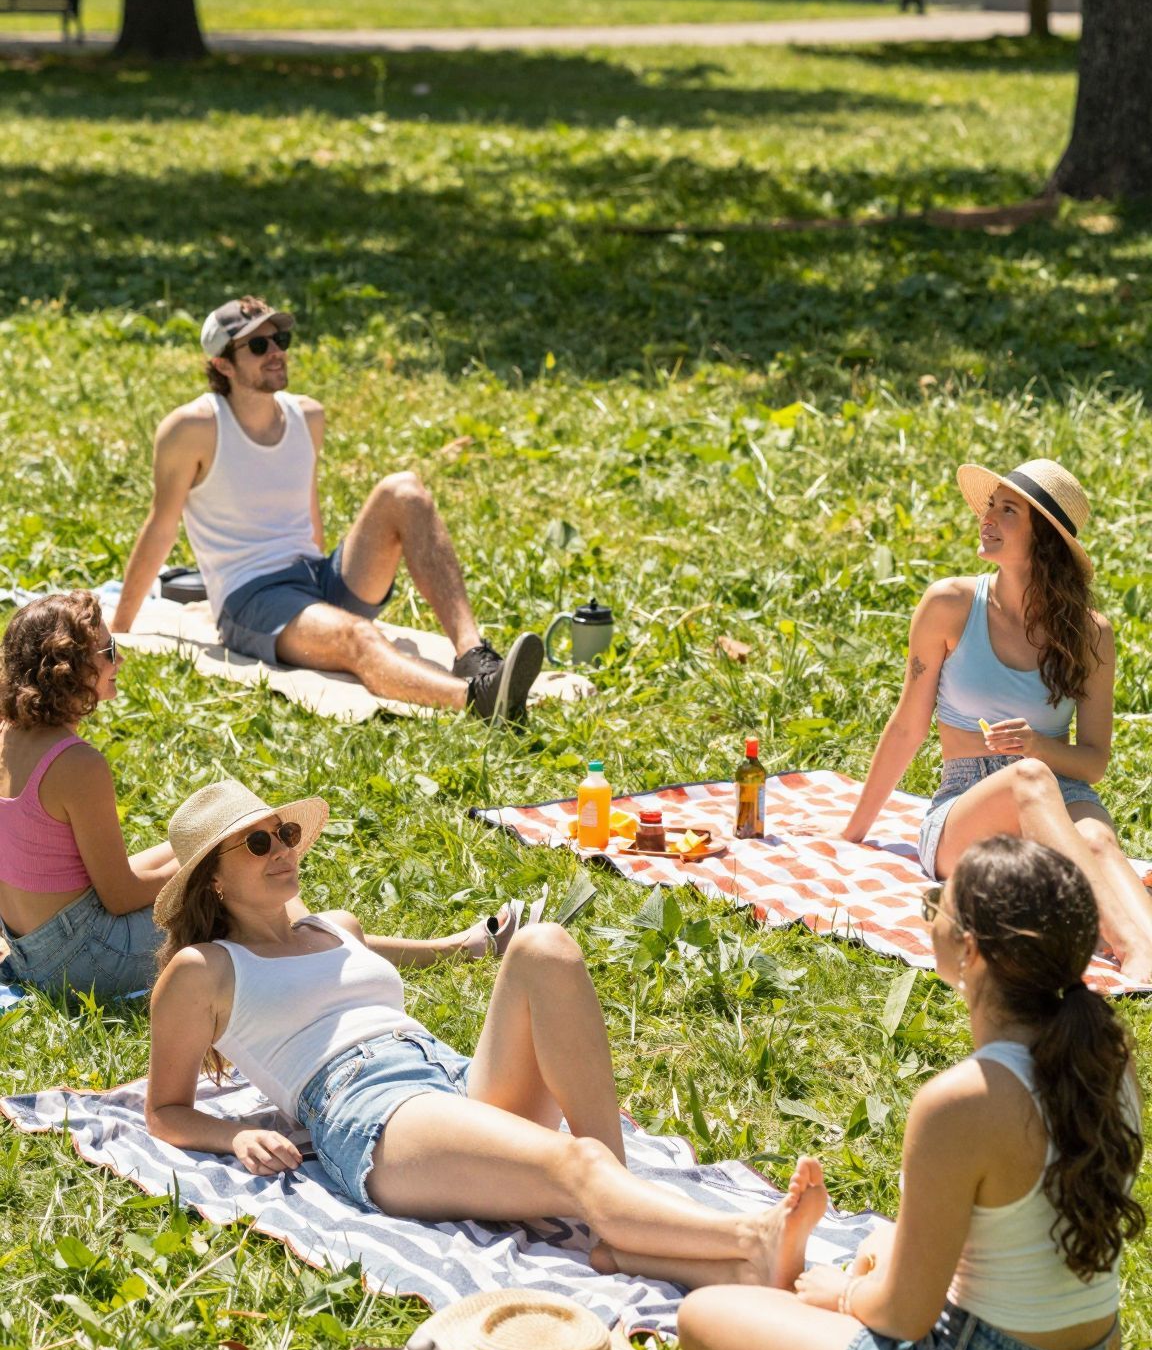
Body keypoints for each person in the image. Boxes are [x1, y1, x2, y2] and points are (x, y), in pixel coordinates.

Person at [146, 777, 822, 1285]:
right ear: (212, 881)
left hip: (448, 1075)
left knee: (545, 946)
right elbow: (164, 1110)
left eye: (286, 833)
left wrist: (467, 944)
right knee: (575, 1163)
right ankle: (748, 1238)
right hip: (370, 1109)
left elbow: (409, 953)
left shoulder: (335, 927)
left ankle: (624, 1222)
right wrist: (233, 1135)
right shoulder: (203, 971)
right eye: (258, 843)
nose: (283, 850)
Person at [678, 836, 1143, 1350]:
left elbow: (906, 1317)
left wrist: (843, 1295)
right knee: (881, 1242)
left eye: (936, 905)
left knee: (703, 1316)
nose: (930, 916)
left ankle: (790, 1297)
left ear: (970, 950)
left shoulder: (962, 1102)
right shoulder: (1111, 1063)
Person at [110, 297, 543, 722]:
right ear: (223, 364)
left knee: (404, 489)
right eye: (258, 345)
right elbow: (161, 527)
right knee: (358, 636)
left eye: (280, 339)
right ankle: (479, 700)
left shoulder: (307, 416)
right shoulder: (192, 428)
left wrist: (322, 605)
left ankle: (473, 656)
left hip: (315, 577)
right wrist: (120, 628)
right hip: (252, 599)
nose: (276, 351)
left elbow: (308, 515)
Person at [841, 457, 1152, 980]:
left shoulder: (1091, 633)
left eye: (1007, 511)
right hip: (965, 805)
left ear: (1045, 539)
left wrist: (1037, 745)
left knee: (1098, 840)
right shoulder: (950, 604)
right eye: (990, 506)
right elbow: (908, 726)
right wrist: (853, 832)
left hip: (1064, 792)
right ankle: (1131, 947)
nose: (986, 519)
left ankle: (1145, 956)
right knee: (1029, 779)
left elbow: (1093, 762)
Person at [0, 594, 179, 997]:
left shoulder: (6, 735)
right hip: (86, 960)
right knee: (228, 892)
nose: (121, 661)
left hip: (27, 947)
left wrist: (196, 853)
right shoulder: (77, 765)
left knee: (196, 841)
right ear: (68, 668)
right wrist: (201, 870)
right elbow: (120, 896)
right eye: (109, 651)